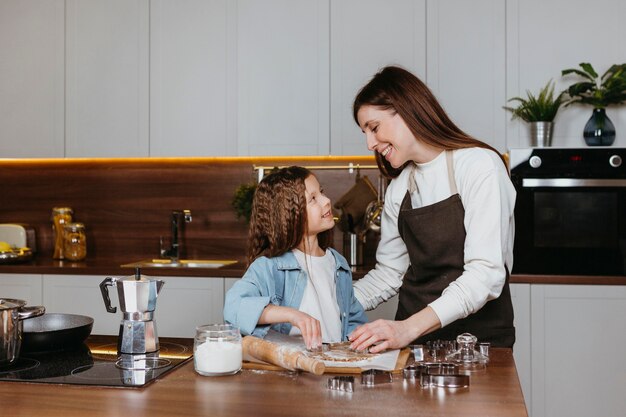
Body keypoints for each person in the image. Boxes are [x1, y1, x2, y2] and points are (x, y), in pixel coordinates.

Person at [348, 66, 516, 353]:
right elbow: (390, 273)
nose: (370, 143)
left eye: (374, 128)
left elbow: (485, 275)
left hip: (477, 345)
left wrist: (406, 328)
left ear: (406, 108)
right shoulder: (399, 189)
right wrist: (325, 304)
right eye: (365, 133)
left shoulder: (478, 166)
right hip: (414, 346)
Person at [224, 166, 368, 350]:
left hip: (332, 368)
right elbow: (234, 307)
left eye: (321, 192)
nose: (326, 200)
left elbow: (353, 321)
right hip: (293, 374)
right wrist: (292, 315)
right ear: (289, 214)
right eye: (313, 199)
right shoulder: (269, 267)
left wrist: (363, 337)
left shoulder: (338, 263)